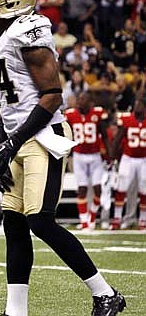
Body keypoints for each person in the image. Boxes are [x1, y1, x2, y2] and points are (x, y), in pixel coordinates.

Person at [0, 0, 125, 316]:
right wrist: (2, 144)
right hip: (14, 136)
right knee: (12, 222)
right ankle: (16, 311)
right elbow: (4, 102)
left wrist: (13, 141)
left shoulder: (29, 29)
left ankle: (105, 295)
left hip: (44, 136)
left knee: (40, 220)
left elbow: (53, 96)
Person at [64, 93, 110, 230]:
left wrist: (109, 153)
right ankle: (84, 221)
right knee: (82, 188)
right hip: (79, 156)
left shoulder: (97, 113)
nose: (79, 101)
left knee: (98, 189)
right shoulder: (70, 114)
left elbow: (104, 134)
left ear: (90, 102)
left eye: (82, 98)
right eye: (79, 98)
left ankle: (92, 216)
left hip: (95, 156)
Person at [109, 98, 146, 231]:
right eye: (135, 104)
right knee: (122, 186)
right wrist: (112, 156)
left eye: (139, 104)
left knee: (144, 188)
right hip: (128, 157)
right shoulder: (127, 119)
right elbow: (118, 138)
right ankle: (117, 218)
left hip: (144, 159)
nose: (136, 107)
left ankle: (143, 219)